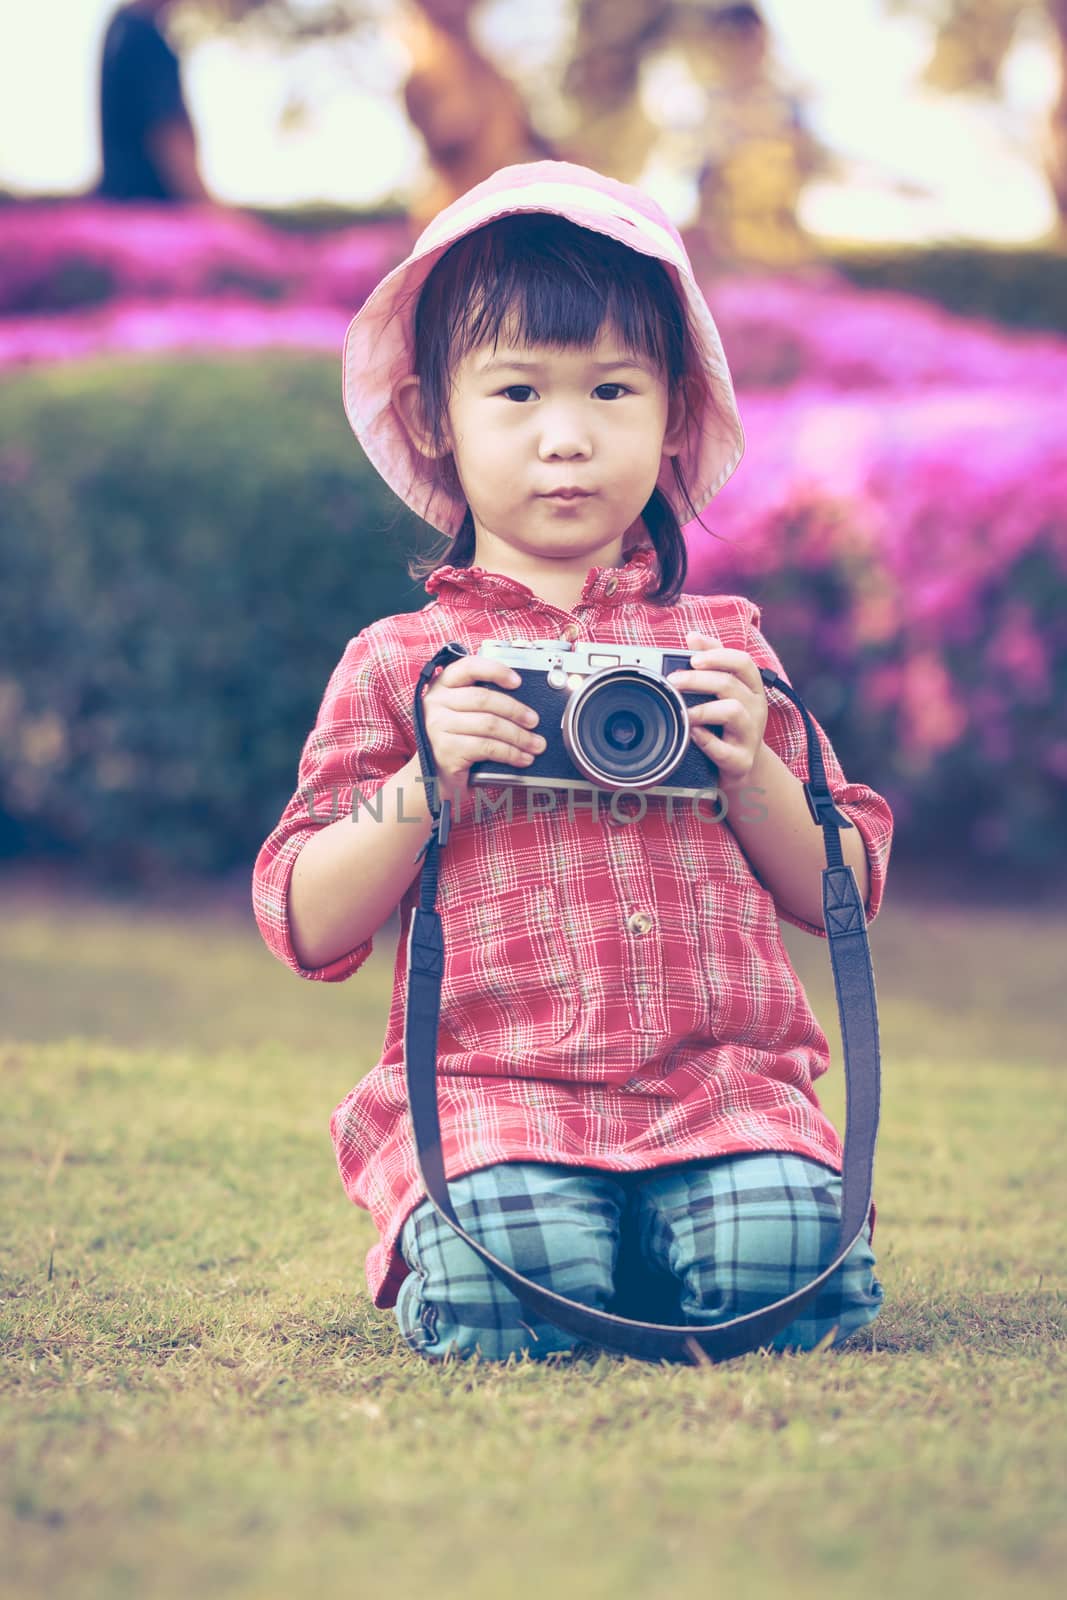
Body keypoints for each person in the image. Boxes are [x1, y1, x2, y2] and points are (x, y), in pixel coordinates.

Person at [252, 159, 893, 1366]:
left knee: (779, 1263)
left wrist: (751, 768)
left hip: (720, 1092)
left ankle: (670, 1237)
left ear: (672, 417)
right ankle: (588, 1249)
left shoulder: (726, 650)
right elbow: (301, 917)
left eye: (611, 388)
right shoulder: (404, 663)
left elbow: (841, 893)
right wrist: (423, 783)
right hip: (497, 1100)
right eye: (515, 392)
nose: (566, 436)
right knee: (517, 1289)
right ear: (437, 416)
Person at [96, 0, 211, 203]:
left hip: (121, 206)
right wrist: (211, 210)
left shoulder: (121, 27)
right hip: (153, 214)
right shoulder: (147, 42)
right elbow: (167, 137)